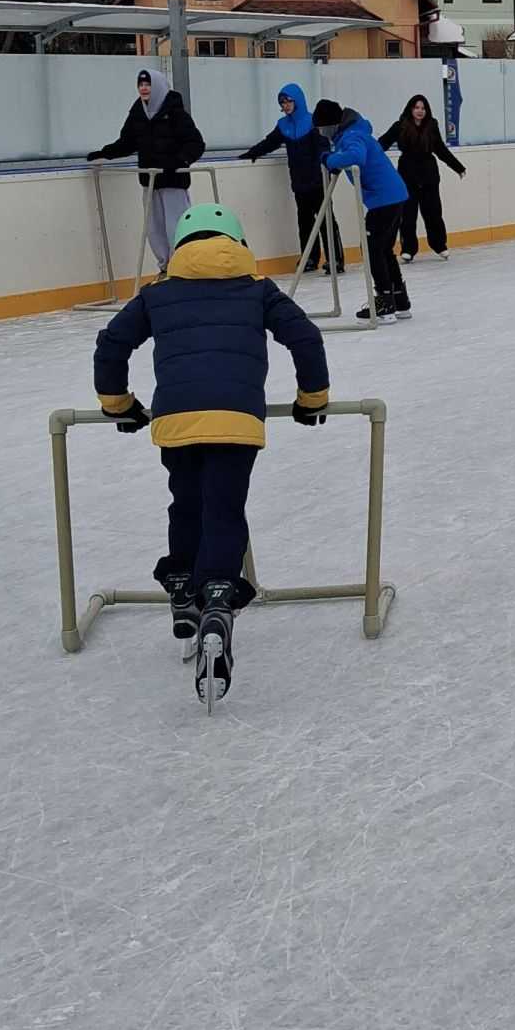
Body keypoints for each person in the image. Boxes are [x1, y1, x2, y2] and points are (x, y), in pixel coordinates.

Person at [92, 200, 330, 701]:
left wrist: (120, 405)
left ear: (180, 246)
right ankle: (218, 596)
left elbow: (113, 343)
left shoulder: (158, 294)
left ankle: (183, 583)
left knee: (187, 500)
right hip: (237, 418)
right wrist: (312, 400)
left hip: (177, 418)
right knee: (224, 507)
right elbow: (305, 339)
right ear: (240, 244)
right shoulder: (257, 290)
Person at [88, 66, 206, 273]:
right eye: (141, 84)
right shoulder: (137, 113)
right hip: (150, 181)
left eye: (148, 84)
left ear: (158, 86)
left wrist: (179, 162)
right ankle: (165, 267)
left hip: (173, 181)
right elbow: (127, 142)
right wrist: (104, 153)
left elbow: (196, 144)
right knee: (154, 229)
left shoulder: (175, 113)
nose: (144, 88)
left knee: (176, 226)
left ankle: (183, 266)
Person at [312, 99, 411, 320]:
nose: (321, 133)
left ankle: (385, 302)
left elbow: (357, 157)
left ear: (331, 125)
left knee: (371, 249)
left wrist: (330, 160)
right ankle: (399, 299)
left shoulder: (351, 136)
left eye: (321, 128)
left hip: (384, 199)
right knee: (383, 249)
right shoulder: (353, 132)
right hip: (393, 195)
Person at [242, 82, 343, 274]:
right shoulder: (283, 126)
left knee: (325, 220)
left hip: (318, 180)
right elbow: (269, 143)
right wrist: (251, 153)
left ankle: (336, 259)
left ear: (298, 101)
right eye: (282, 102)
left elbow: (323, 150)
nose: (285, 105)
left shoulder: (314, 123)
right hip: (298, 181)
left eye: (288, 101)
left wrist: (324, 172)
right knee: (304, 221)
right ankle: (310, 258)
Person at [379, 92, 466, 261]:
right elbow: (383, 142)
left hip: (429, 176)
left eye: (423, 108)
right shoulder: (400, 126)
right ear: (411, 109)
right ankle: (408, 249)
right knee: (408, 215)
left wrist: (458, 167)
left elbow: (440, 149)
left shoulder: (432, 125)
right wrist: (368, 155)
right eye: (417, 107)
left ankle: (439, 245)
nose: (420, 111)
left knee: (433, 212)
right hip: (407, 175)